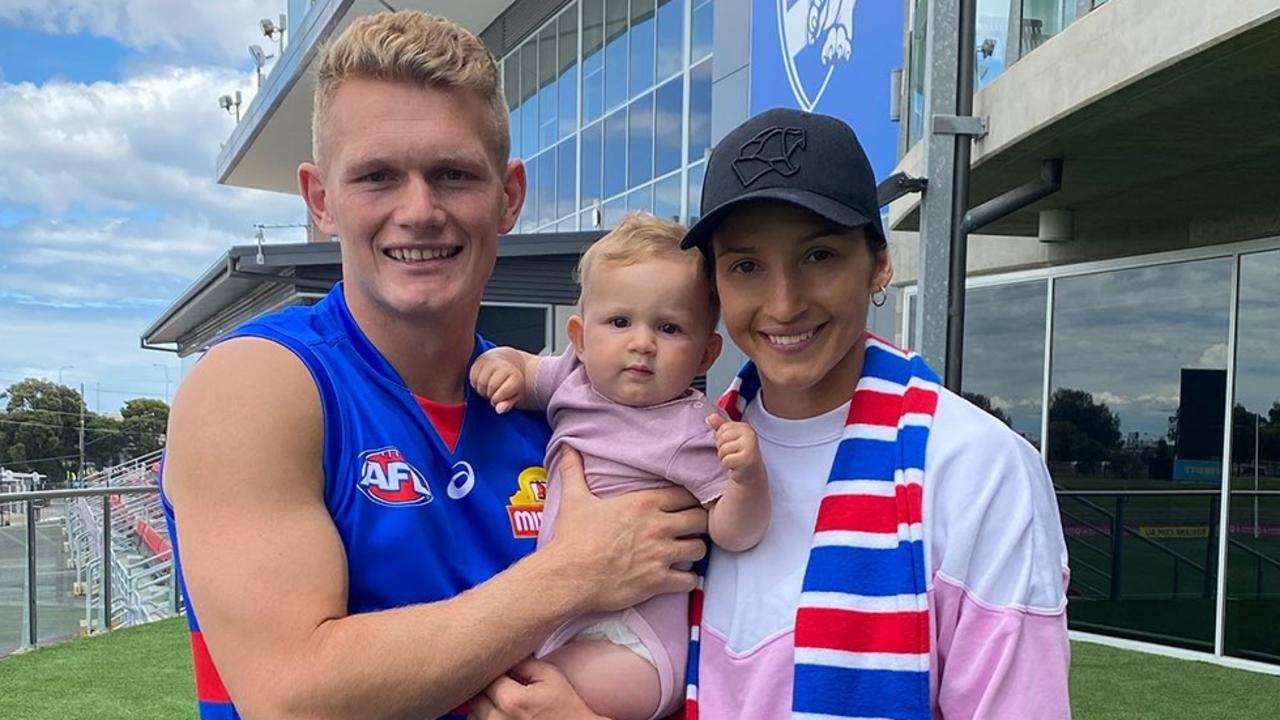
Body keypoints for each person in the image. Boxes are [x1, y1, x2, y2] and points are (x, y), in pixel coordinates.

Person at [160, 11, 708, 720]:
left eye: (452, 175)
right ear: (321, 200)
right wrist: (569, 574)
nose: (419, 211)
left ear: (508, 197)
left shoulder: (559, 410)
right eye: (378, 176)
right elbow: (293, 692)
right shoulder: (260, 385)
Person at [476, 109, 1072, 719]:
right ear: (717, 287)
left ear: (879, 263)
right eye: (747, 266)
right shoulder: (695, 443)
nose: (784, 303)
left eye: (819, 256)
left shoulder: (980, 468)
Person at [469, 213, 770, 720]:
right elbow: (528, 371)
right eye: (620, 321)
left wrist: (747, 478)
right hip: (571, 614)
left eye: (670, 327)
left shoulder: (694, 429)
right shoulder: (572, 377)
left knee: (506, 685)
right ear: (580, 339)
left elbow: (736, 532)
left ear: (705, 353)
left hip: (632, 643)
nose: (642, 343)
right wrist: (500, 365)